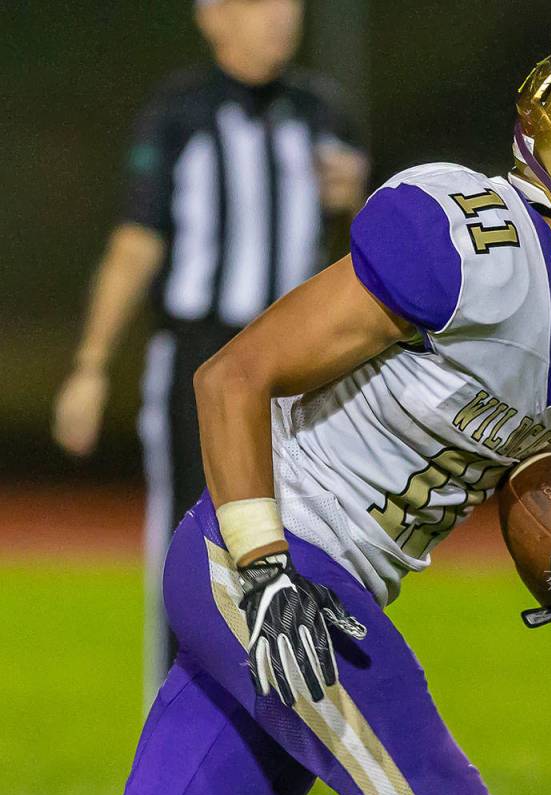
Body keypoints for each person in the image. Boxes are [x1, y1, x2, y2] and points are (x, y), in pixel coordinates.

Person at [116, 32, 551, 795]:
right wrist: (265, 573)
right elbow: (231, 377)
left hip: (345, 581)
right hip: (259, 563)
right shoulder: (470, 250)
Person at [51, 0, 368, 702]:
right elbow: (138, 241)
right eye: (258, 2)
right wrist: (91, 365)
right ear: (212, 15)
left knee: (313, 542)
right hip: (202, 355)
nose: (281, 16)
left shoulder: (322, 112)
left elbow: (358, 261)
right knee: (189, 544)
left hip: (300, 365)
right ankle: (175, 721)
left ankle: (301, 718)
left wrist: (354, 202)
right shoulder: (182, 112)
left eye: (289, 2)